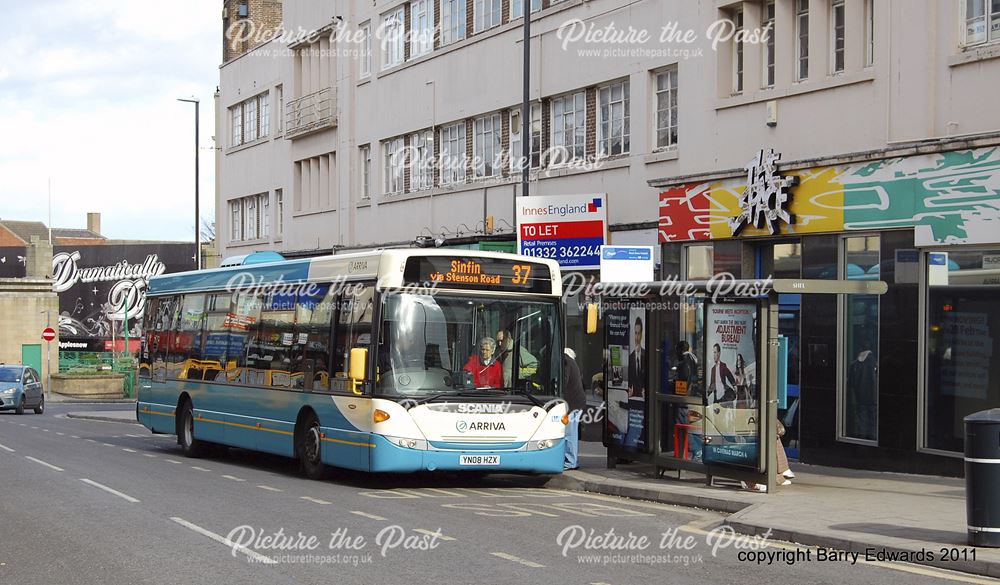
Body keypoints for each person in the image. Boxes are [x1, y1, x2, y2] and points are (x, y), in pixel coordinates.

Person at [562, 347, 586, 470]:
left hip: (572, 404)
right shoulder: (572, 362)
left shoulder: (565, 362)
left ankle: (571, 461)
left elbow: (563, 382)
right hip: (576, 403)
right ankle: (570, 459)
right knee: (571, 432)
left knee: (569, 433)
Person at [627, 317, 647, 398]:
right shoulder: (630, 357)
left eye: (639, 333)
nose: (637, 337)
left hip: (644, 398)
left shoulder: (646, 355)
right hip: (633, 397)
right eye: (635, 333)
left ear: (641, 334)